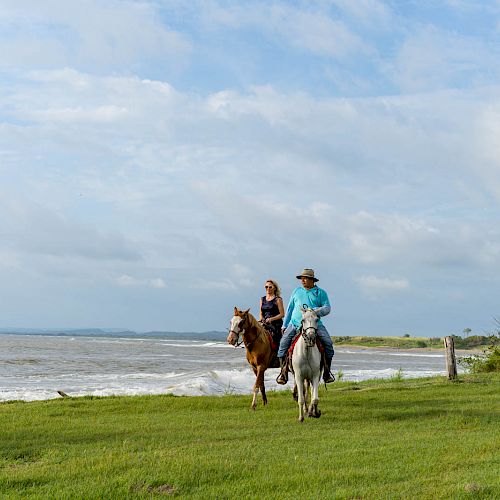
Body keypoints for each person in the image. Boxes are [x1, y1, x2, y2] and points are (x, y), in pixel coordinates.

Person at [276, 268, 335, 384]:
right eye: (301, 278)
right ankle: (283, 372)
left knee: (328, 344)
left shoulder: (321, 293)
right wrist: (284, 325)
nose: (302, 280)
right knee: (282, 345)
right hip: (295, 324)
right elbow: (290, 309)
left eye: (305, 278)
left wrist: (315, 311)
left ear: (312, 280)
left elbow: (327, 308)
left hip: (314, 325)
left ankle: (327, 372)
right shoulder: (296, 291)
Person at [259, 279, 285, 346]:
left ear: (274, 288)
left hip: (276, 324)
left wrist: (271, 319)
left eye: (270, 287)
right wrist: (262, 320)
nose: (268, 288)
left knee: (276, 340)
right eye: (266, 287)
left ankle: (278, 354)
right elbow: (261, 313)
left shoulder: (278, 299)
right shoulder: (262, 299)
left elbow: (282, 314)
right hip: (265, 323)